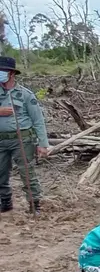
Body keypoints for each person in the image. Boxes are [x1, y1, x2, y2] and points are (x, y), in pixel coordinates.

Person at [0, 56, 49, 215]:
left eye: (3, 71)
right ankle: (5, 202)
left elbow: (38, 120)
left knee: (27, 172)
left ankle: (34, 204)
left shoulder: (25, 94)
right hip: (1, 140)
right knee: (1, 173)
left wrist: (43, 143)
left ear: (12, 73)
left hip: (22, 139)